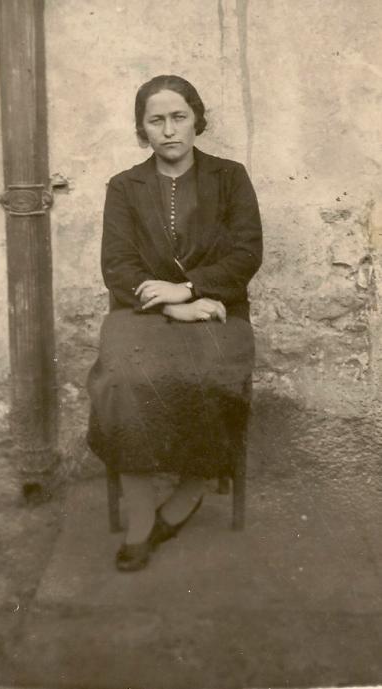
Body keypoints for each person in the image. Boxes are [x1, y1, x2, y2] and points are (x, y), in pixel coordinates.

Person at [86, 74, 262, 571]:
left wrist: (190, 289)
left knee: (210, 377)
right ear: (142, 128)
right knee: (120, 379)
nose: (168, 130)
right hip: (142, 312)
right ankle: (142, 516)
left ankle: (189, 492)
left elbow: (247, 252)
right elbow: (117, 265)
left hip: (216, 310)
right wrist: (171, 306)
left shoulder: (230, 177)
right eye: (156, 120)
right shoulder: (124, 187)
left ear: (196, 120)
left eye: (178, 117)